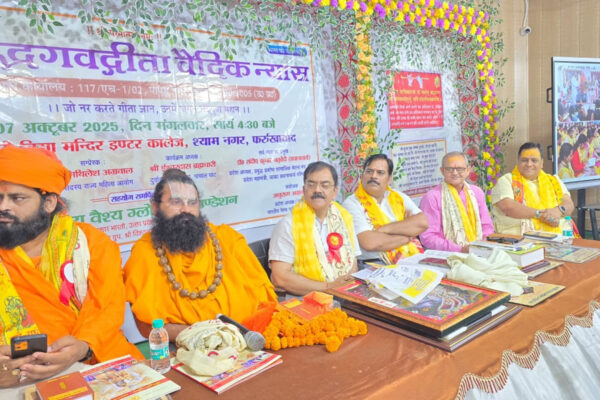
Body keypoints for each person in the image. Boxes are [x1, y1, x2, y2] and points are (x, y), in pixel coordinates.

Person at [0, 145, 141, 388]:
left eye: (17, 198)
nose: (3, 207)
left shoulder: (91, 243)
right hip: (14, 376)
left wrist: (83, 345)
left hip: (95, 358)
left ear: (49, 202)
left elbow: (107, 306)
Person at [124, 169, 276, 342]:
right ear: (155, 207)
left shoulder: (228, 239)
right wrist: (210, 336)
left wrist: (236, 336)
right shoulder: (145, 253)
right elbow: (148, 327)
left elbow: (265, 301)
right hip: (186, 345)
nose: (186, 210)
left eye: (192, 202)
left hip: (248, 338)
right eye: (176, 202)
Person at [269, 161, 360, 295]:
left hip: (345, 293)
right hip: (305, 298)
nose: (317, 190)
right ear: (304, 190)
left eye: (325, 185)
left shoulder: (344, 218)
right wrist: (329, 287)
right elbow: (280, 278)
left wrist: (346, 283)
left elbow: (353, 261)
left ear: (335, 191)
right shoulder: (289, 225)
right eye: (311, 185)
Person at [342, 154, 428, 265]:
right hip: (374, 263)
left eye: (380, 173)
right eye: (369, 171)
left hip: (408, 256)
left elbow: (422, 223)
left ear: (389, 178)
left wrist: (384, 229)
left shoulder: (398, 197)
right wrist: (407, 237)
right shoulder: (352, 203)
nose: (373, 176)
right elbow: (370, 243)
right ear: (362, 176)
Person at [491, 142, 575, 235]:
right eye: (524, 160)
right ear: (518, 161)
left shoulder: (554, 180)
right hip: (519, 240)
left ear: (542, 163)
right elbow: (507, 207)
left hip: (559, 238)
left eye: (534, 160)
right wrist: (540, 215)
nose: (529, 164)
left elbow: (569, 204)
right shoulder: (506, 180)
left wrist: (558, 211)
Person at [419, 152, 494, 252]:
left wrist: (481, 247)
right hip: (447, 255)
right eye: (450, 169)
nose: (454, 173)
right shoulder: (432, 197)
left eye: (459, 169)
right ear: (442, 171)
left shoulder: (476, 193)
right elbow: (428, 237)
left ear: (468, 170)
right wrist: (460, 249)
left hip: (479, 251)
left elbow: (487, 227)